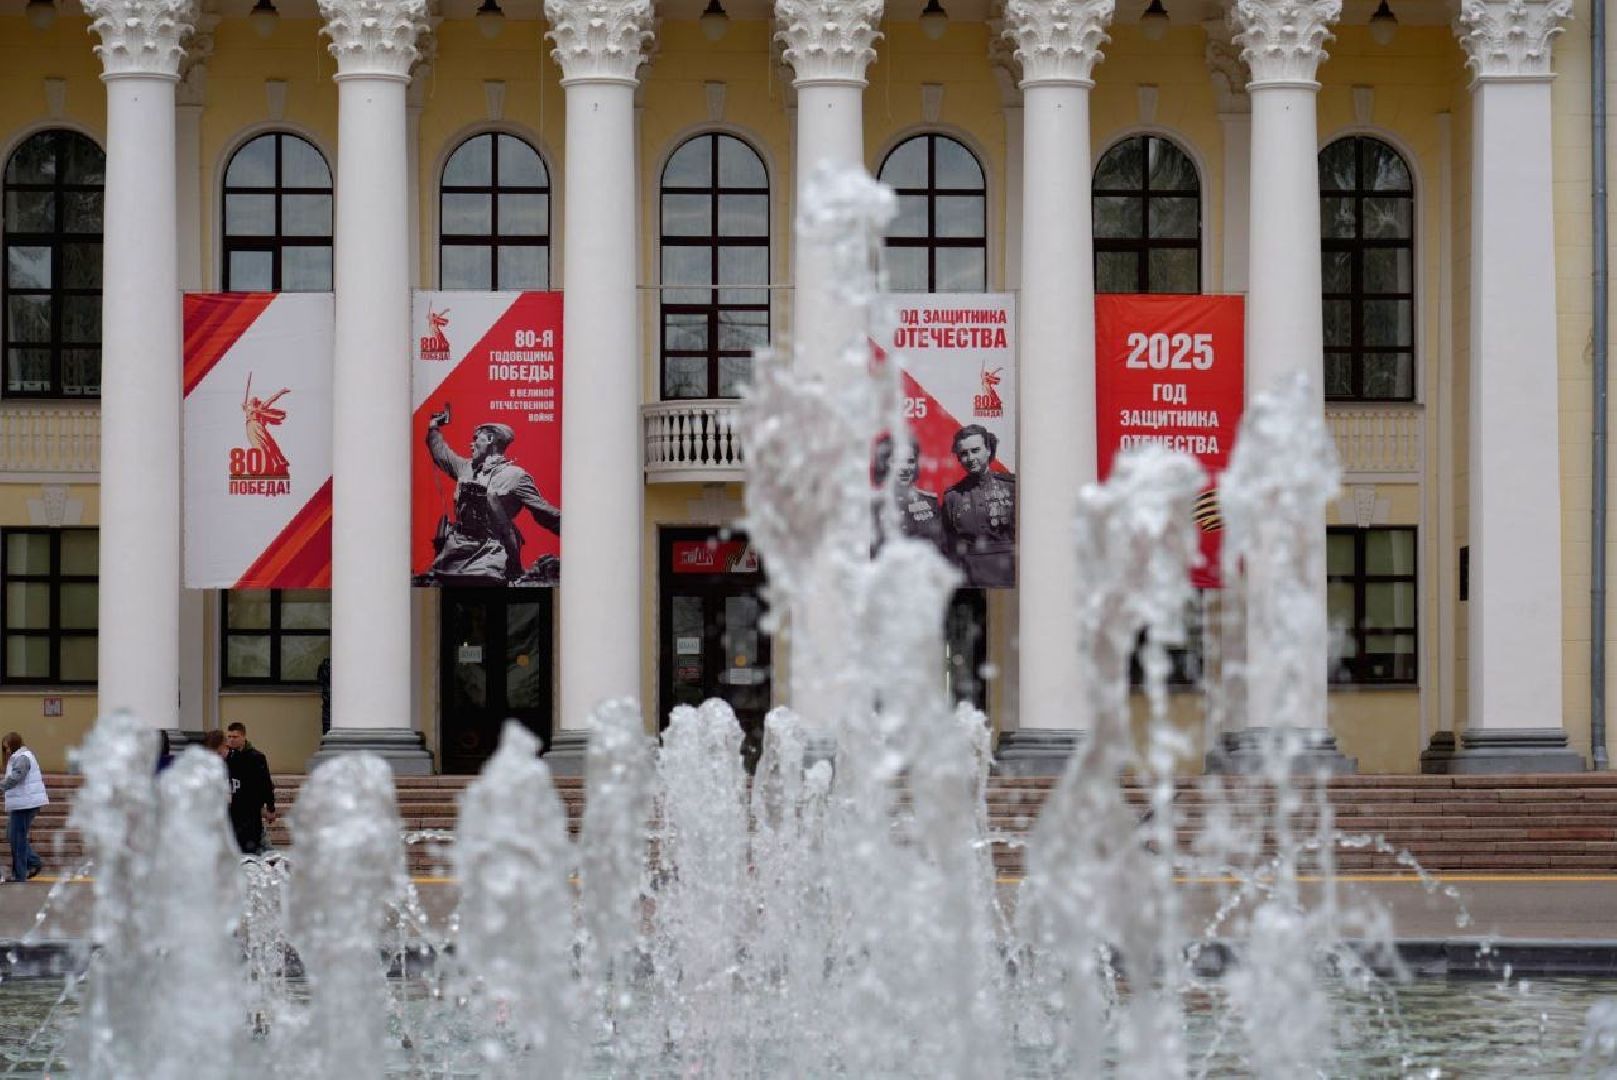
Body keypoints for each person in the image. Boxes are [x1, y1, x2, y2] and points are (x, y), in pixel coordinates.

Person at [419, 407, 562, 585]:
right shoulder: (466, 468)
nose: (471, 444)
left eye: (475, 438)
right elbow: (442, 454)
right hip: (452, 555)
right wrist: (433, 427)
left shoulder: (515, 476)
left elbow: (546, 514)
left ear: (490, 439)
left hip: (488, 557)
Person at [941, 424, 1016, 588]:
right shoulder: (953, 497)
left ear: (988, 449)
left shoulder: (1012, 487)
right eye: (964, 454)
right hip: (971, 579)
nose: (970, 458)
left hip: (1009, 576)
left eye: (975, 450)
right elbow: (948, 545)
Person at [871, 433, 944, 552]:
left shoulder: (928, 504)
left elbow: (935, 545)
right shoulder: (870, 506)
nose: (904, 468)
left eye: (910, 461)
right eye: (893, 461)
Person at [222, 723, 276, 856]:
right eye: (229, 736)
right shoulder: (229, 758)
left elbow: (265, 784)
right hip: (233, 810)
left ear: (243, 737)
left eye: (235, 736)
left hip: (250, 811)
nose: (231, 739)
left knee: (253, 847)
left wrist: (270, 807)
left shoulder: (256, 758)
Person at [1, 732, 47, 883]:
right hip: (23, 803)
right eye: (4, 747)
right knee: (12, 835)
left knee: (17, 839)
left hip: (26, 803)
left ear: (15, 743)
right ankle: (31, 863)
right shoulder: (18, 757)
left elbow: (16, 777)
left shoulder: (23, 757)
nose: (6, 749)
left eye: (8, 745)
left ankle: (22, 873)